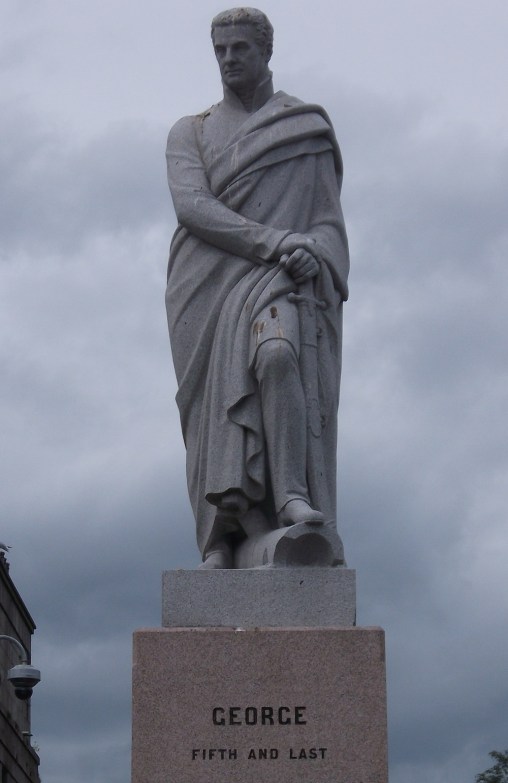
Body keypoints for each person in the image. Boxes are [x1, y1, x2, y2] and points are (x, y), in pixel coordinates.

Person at [165, 7, 349, 568]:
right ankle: (226, 532)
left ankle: (292, 493)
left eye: (239, 49)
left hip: (278, 281)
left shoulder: (304, 130)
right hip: (206, 286)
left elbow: (325, 222)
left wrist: (312, 252)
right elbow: (193, 207)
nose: (228, 60)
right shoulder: (189, 132)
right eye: (220, 50)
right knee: (213, 412)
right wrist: (274, 240)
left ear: (266, 51)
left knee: (276, 357)